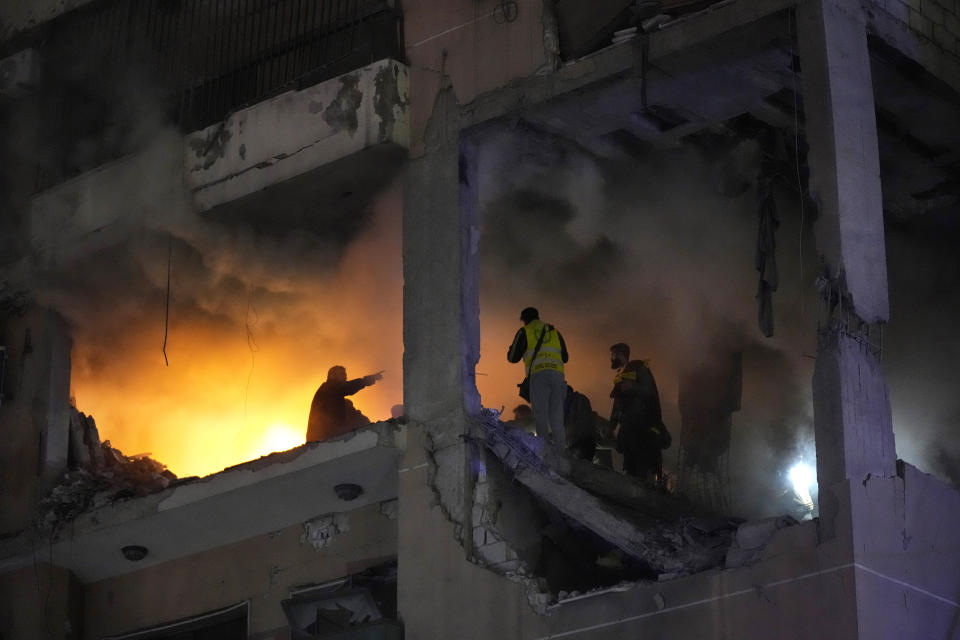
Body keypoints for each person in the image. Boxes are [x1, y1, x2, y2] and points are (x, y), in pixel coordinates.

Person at [507, 307, 568, 449]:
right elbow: (565, 357)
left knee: (540, 416)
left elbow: (512, 357)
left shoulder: (525, 331)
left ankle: (545, 452)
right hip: (558, 376)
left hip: (539, 375)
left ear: (524, 319)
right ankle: (561, 453)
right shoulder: (554, 331)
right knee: (557, 416)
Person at [608, 343, 669, 481]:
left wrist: (633, 386)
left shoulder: (639, 367)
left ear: (620, 354)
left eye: (612, 355)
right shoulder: (620, 374)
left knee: (643, 464)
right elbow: (617, 404)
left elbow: (650, 391)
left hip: (642, 428)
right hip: (628, 428)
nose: (611, 359)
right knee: (629, 466)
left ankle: (647, 492)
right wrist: (611, 426)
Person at [306, 366, 383, 442]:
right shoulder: (329, 387)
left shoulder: (331, 392)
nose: (346, 377)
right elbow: (347, 387)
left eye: (345, 374)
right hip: (322, 438)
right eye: (342, 374)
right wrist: (367, 380)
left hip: (324, 437)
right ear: (333, 376)